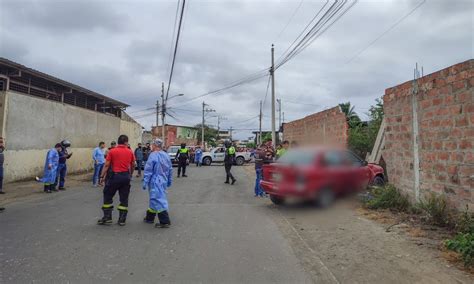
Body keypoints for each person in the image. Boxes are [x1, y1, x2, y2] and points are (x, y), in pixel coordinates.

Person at [97, 135, 135, 226]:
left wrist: (102, 177)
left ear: (118, 142)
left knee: (107, 195)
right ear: (126, 142)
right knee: (124, 198)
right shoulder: (130, 152)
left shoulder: (112, 151)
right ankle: (122, 220)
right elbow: (133, 164)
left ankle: (107, 218)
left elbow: (106, 165)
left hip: (114, 177)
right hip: (125, 176)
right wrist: (130, 174)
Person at [142, 138, 173, 228]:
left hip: (155, 181)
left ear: (155, 145)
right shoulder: (166, 155)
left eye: (152, 144)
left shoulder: (153, 155)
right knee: (154, 198)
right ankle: (149, 217)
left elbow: (148, 170)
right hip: (163, 180)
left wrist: (145, 181)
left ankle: (165, 221)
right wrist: (169, 180)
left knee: (158, 199)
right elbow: (170, 169)